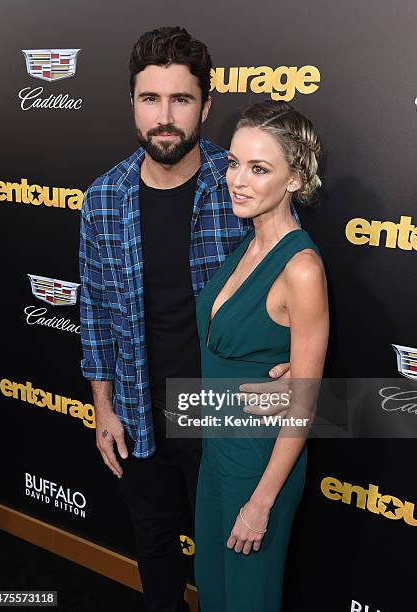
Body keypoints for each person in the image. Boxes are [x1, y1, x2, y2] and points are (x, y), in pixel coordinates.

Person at [79, 27, 293, 612]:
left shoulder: (240, 184)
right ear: (132, 104)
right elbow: (94, 315)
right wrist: (103, 408)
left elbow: (295, 272)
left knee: (231, 559)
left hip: (225, 413)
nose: (165, 117)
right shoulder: (103, 199)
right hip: (141, 409)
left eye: (181, 100)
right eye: (151, 99)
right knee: (155, 551)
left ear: (206, 105)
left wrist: (294, 361)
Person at [194, 99, 329, 611]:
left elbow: (304, 403)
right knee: (214, 589)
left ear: (295, 179)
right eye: (233, 163)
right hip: (217, 452)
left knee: (248, 601)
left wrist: (262, 501)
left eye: (259, 168)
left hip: (260, 466)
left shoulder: (301, 269)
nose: (238, 180)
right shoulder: (244, 245)